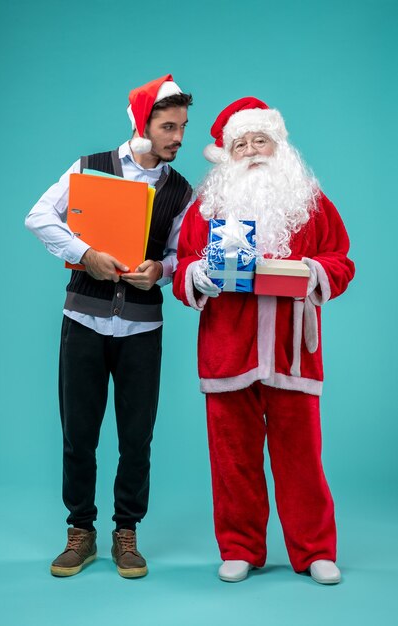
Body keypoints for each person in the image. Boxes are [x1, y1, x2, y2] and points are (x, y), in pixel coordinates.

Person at [173, 97, 354, 585]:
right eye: (242, 144)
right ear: (227, 155)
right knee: (232, 458)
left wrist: (314, 270)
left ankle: (315, 550)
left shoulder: (310, 201)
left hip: (293, 350)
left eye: (261, 140)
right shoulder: (206, 207)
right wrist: (197, 277)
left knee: (301, 456)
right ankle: (240, 547)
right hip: (227, 347)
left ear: (279, 146)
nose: (252, 151)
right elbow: (184, 261)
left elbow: (340, 257)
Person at [25, 74, 193, 578]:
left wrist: (159, 271)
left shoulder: (181, 191)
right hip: (83, 321)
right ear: (142, 124)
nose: (178, 137)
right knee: (79, 433)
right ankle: (81, 531)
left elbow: (179, 255)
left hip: (142, 329)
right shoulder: (89, 168)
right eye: (168, 126)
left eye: (182, 127)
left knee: (136, 437)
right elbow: (39, 217)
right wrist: (85, 254)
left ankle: (127, 533)